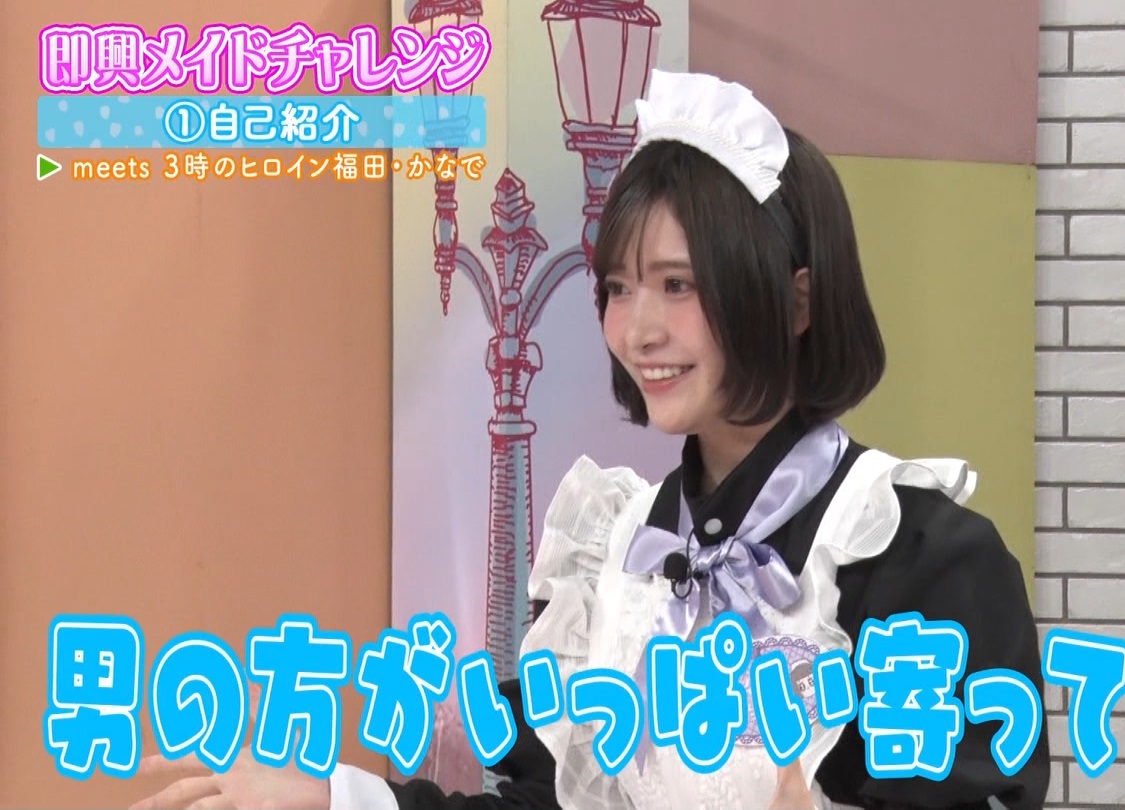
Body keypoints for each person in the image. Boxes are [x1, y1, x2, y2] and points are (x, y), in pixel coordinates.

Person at [129, 69, 1048, 810]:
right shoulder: (609, 554)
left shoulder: (918, 556)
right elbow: (548, 800)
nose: (636, 329)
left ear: (797, 300)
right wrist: (334, 798)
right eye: (616, 287)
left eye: (678, 285)